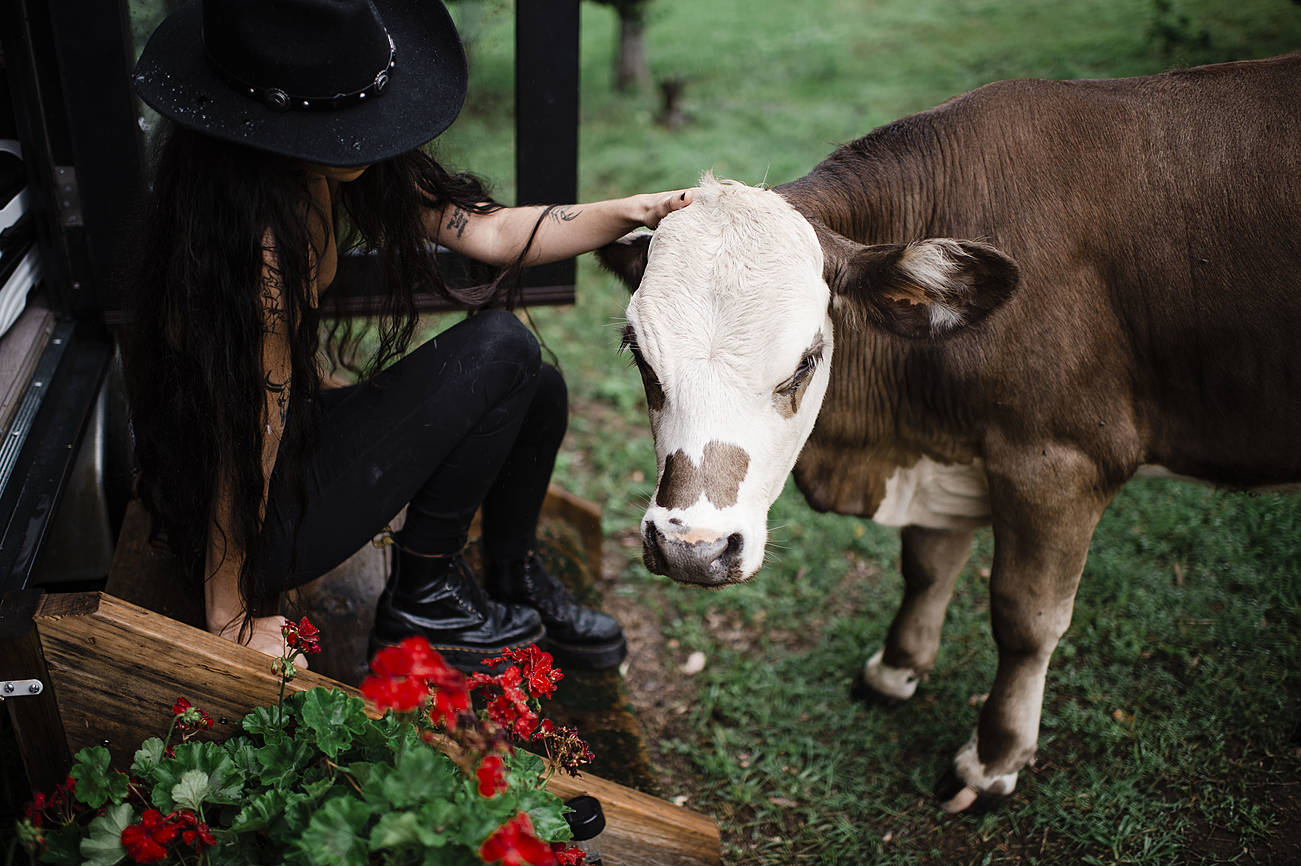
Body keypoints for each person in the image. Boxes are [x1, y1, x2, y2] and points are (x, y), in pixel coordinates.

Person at [127, 0, 690, 672]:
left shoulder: (316, 162)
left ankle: (512, 578)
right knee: (502, 346)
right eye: (344, 126)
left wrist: (636, 210)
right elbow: (244, 425)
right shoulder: (255, 243)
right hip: (244, 519)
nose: (364, 138)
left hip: (288, 448)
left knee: (533, 380)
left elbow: (491, 231)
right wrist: (232, 609)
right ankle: (422, 599)